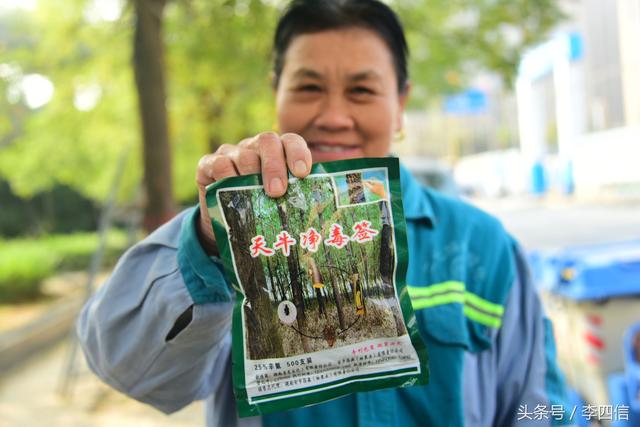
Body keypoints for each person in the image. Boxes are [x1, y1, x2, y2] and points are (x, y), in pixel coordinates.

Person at [77, 1, 571, 426]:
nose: (334, 116)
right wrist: (210, 243)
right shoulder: (233, 237)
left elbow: (541, 407)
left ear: (401, 105)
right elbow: (128, 368)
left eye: (362, 91)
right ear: (277, 94)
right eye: (309, 87)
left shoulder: (481, 247)